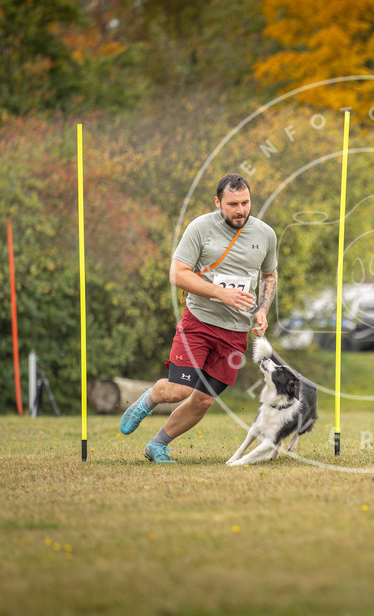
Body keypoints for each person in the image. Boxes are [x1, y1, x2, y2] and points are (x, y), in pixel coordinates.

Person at [119, 173, 277, 463]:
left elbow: (269, 274)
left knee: (204, 399)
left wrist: (263, 309)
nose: (240, 210)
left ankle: (157, 445)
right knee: (179, 390)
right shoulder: (200, 228)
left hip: (235, 333)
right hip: (199, 323)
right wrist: (220, 293)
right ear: (218, 202)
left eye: (245, 203)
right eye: (232, 204)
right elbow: (177, 275)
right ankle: (148, 400)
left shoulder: (265, 234)